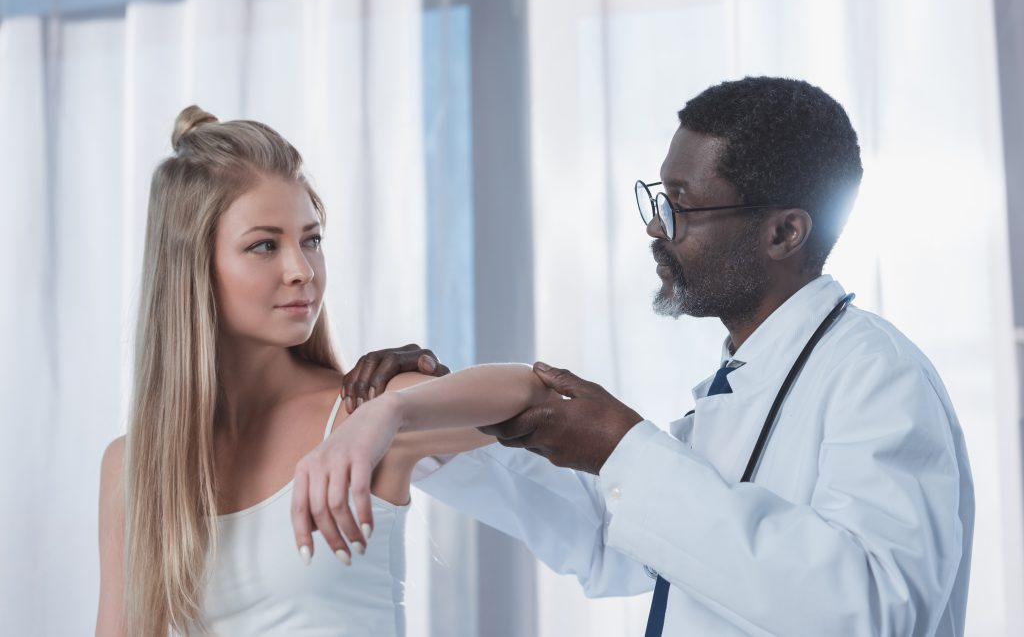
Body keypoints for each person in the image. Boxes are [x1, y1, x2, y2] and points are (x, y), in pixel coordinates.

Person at [298, 77, 975, 636]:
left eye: (680, 206)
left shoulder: (877, 375)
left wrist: (624, 448)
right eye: (657, 199)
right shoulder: (742, 384)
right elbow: (611, 536)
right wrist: (436, 422)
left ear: (782, 231)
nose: (655, 226)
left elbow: (875, 610)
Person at [95, 106, 525, 636]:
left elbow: (532, 396)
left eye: (311, 239)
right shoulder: (132, 466)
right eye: (264, 245)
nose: (301, 270)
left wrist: (388, 412)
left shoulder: (365, 414)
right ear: (193, 267)